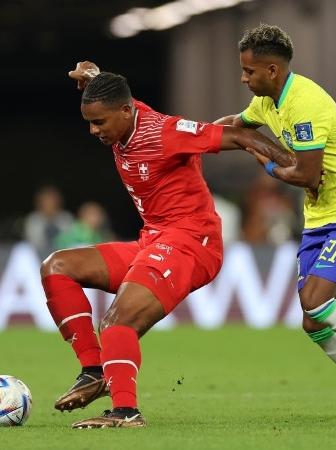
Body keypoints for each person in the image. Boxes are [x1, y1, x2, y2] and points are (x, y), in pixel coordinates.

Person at [40, 61, 295, 429]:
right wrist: (93, 75)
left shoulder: (165, 132)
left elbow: (239, 136)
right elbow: (112, 89)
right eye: (90, 123)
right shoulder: (124, 112)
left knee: (117, 320)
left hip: (192, 243)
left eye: (100, 123)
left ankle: (126, 412)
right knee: (56, 267)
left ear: (127, 112)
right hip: (154, 239)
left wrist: (294, 166)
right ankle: (94, 370)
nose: (94, 131)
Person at [215, 24, 336, 423]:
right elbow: (236, 125)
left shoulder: (305, 103)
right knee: (313, 322)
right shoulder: (269, 101)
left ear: (271, 70)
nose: (243, 78)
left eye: (249, 72)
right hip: (320, 217)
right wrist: (187, 136)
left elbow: (305, 174)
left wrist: (264, 159)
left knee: (316, 300)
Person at [23, 185, 73, 258]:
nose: (49, 204)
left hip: (62, 257)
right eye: (46, 200)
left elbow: (70, 241)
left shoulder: (65, 218)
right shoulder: (33, 219)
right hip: (38, 257)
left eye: (52, 200)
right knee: (23, 249)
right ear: (40, 203)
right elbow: (34, 242)